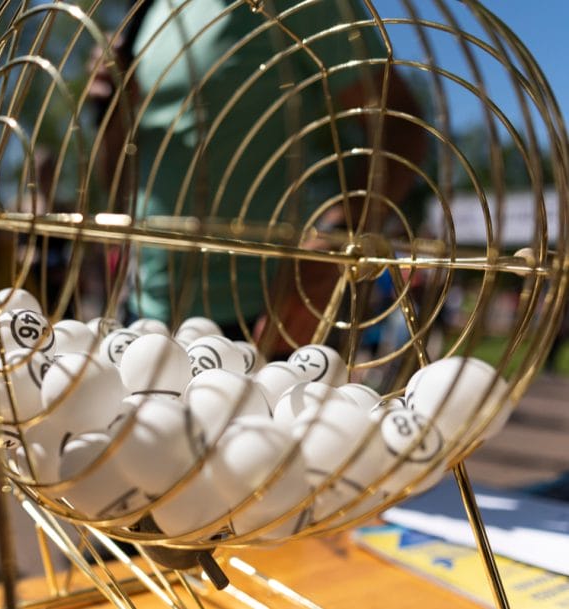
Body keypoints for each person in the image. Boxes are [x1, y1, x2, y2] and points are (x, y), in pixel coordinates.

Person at [90, 0, 425, 355]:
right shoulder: (148, 14)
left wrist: (334, 242)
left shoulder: (302, 6)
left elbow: (399, 127)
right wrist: (114, 107)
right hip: (144, 314)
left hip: (267, 324)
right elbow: (114, 185)